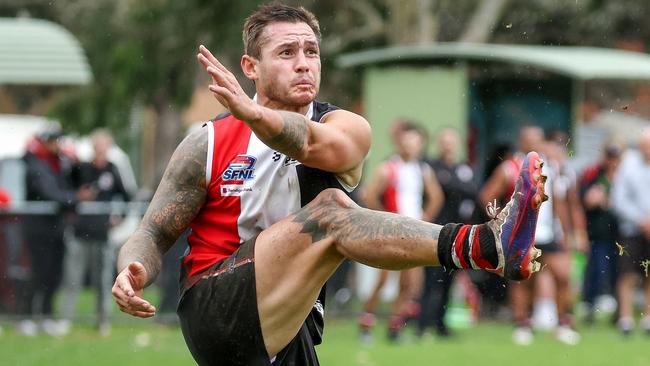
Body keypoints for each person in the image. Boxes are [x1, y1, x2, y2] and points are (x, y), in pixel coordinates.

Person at [112, 4, 546, 365]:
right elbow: (153, 232)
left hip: (289, 322)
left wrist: (255, 116)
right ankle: (485, 246)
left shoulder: (344, 126)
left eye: (311, 51)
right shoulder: (205, 141)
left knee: (330, 213)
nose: (304, 62)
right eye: (286, 52)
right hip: (215, 308)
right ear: (250, 67)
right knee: (330, 212)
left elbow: (318, 145)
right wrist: (134, 270)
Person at [480, 126, 579, 346]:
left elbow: (560, 202)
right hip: (522, 234)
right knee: (523, 281)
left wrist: (566, 231)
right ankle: (522, 324)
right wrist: (500, 221)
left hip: (550, 233)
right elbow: (487, 195)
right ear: (522, 143)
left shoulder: (550, 167)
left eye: (538, 140)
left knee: (563, 276)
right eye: (530, 141)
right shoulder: (510, 167)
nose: (535, 145)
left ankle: (563, 324)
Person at [358, 121, 444, 342]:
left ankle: (395, 327)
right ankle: (366, 324)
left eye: (416, 142)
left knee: (412, 284)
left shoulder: (423, 170)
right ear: (399, 143)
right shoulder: (388, 168)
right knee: (384, 280)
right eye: (407, 141)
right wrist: (387, 219)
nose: (411, 146)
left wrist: (425, 219)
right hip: (391, 232)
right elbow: (369, 196)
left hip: (414, 233)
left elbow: (436, 197)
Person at [19, 125, 95, 337]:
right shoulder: (36, 164)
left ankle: (45, 316)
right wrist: (75, 198)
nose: (57, 145)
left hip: (55, 227)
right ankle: (25, 317)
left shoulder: (59, 163)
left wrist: (78, 164)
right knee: (38, 272)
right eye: (53, 141)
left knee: (53, 274)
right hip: (37, 228)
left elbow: (78, 182)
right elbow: (51, 193)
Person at [59, 129, 130, 336]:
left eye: (104, 147)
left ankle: (102, 321)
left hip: (102, 234)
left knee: (103, 280)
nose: (100, 151)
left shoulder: (113, 169)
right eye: (97, 147)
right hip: (80, 233)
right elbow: (65, 190)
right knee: (73, 277)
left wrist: (120, 219)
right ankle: (65, 320)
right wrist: (78, 197)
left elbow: (127, 196)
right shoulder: (81, 168)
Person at [418, 128, 479, 338]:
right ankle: (422, 325)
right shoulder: (431, 166)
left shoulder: (463, 168)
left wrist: (452, 184)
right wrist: (456, 185)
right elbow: (449, 187)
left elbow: (473, 190)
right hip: (434, 231)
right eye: (444, 141)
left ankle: (441, 325)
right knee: (430, 280)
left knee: (448, 280)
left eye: (451, 141)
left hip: (457, 233)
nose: (448, 145)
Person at [611, 129, 650, 336]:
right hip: (631, 229)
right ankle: (625, 319)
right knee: (627, 273)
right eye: (645, 146)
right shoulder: (628, 164)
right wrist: (641, 220)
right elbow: (619, 199)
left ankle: (648, 318)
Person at [580, 140, 623, 325]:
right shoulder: (594, 173)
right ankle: (589, 308)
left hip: (621, 234)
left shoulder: (624, 175)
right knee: (596, 271)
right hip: (598, 233)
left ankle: (620, 313)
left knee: (619, 273)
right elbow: (585, 199)